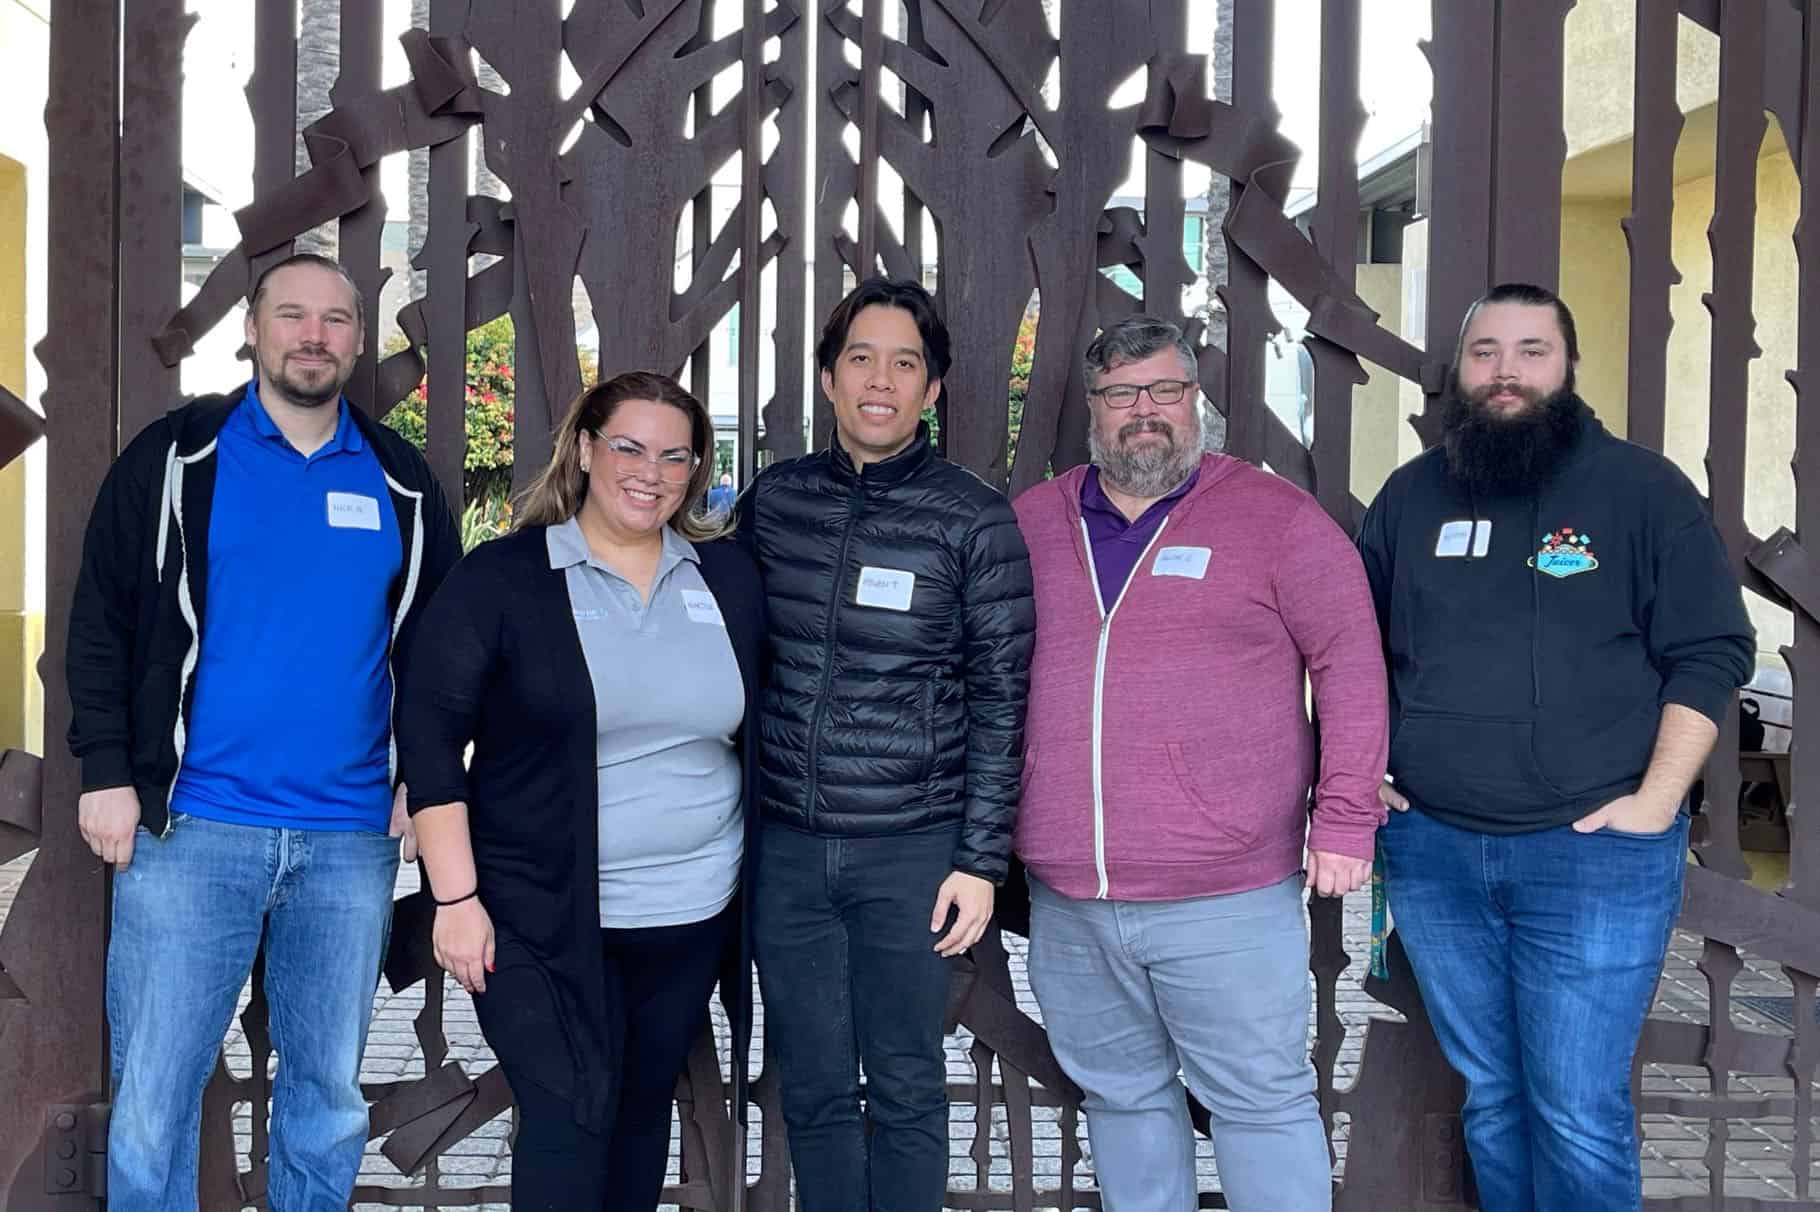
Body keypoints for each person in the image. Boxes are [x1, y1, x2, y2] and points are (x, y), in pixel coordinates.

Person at [66, 252, 462, 1212]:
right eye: (291, 315)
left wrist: (425, 775)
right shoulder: (175, 459)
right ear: (252, 330)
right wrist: (107, 770)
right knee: (154, 1100)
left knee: (325, 1099)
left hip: (349, 840)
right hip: (192, 830)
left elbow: (442, 651)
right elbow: (101, 621)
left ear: (357, 339)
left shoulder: (400, 482)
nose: (313, 335)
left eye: (334, 319)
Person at [1357, 282, 1756, 1212]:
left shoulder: (1641, 490)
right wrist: (1359, 768)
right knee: (1494, 1101)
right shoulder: (1412, 496)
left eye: (1532, 350)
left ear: (1568, 366)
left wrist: (1656, 801)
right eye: (1486, 351)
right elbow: (1351, 647)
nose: (1507, 372)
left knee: (1574, 1107)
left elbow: (1710, 651)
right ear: (1459, 371)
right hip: (1436, 855)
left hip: (1595, 857)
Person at [1010, 314, 1386, 1212]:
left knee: (1259, 1104)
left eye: (1166, 391)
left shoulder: (1274, 517)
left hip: (1226, 895)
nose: (1146, 411)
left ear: (1196, 402)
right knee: (1124, 1100)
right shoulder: (1031, 522)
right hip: (1072, 899)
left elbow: (1353, 663)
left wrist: (1345, 817)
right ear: (1094, 412)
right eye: (1121, 394)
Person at [395, 371, 765, 1210]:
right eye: (629, 447)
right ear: (587, 449)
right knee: (569, 1114)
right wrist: (454, 899)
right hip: (538, 916)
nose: (652, 471)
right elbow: (430, 736)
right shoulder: (507, 578)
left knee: (639, 1113)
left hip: (688, 913)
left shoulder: (727, 580)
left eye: (676, 455)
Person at [736, 277, 1034, 1210]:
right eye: (861, 357)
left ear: (932, 390)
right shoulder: (773, 505)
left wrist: (981, 861)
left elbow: (1003, 699)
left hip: (913, 850)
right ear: (828, 379)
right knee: (815, 1088)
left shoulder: (973, 519)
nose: (882, 379)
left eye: (906, 363)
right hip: (786, 846)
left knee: (905, 1085)